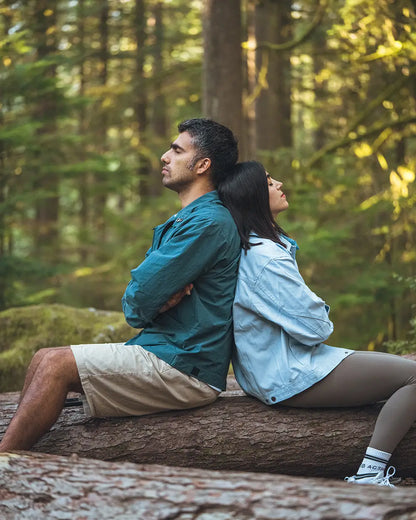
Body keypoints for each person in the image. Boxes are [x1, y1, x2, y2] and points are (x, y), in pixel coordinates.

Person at [0, 118, 241, 452]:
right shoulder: (191, 219)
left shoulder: (206, 224)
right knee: (44, 356)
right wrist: (151, 299)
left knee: (55, 366)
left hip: (185, 366)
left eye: (176, 150)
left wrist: (150, 300)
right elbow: (140, 301)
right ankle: (13, 450)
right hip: (166, 352)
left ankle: (7, 465)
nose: (164, 157)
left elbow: (137, 301)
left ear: (202, 165)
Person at [218, 160, 416, 487]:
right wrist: (318, 310)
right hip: (290, 374)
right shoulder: (266, 257)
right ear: (253, 197)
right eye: (269, 183)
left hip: (280, 369)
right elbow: (316, 329)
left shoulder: (256, 249)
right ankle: (369, 474)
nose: (279, 183)